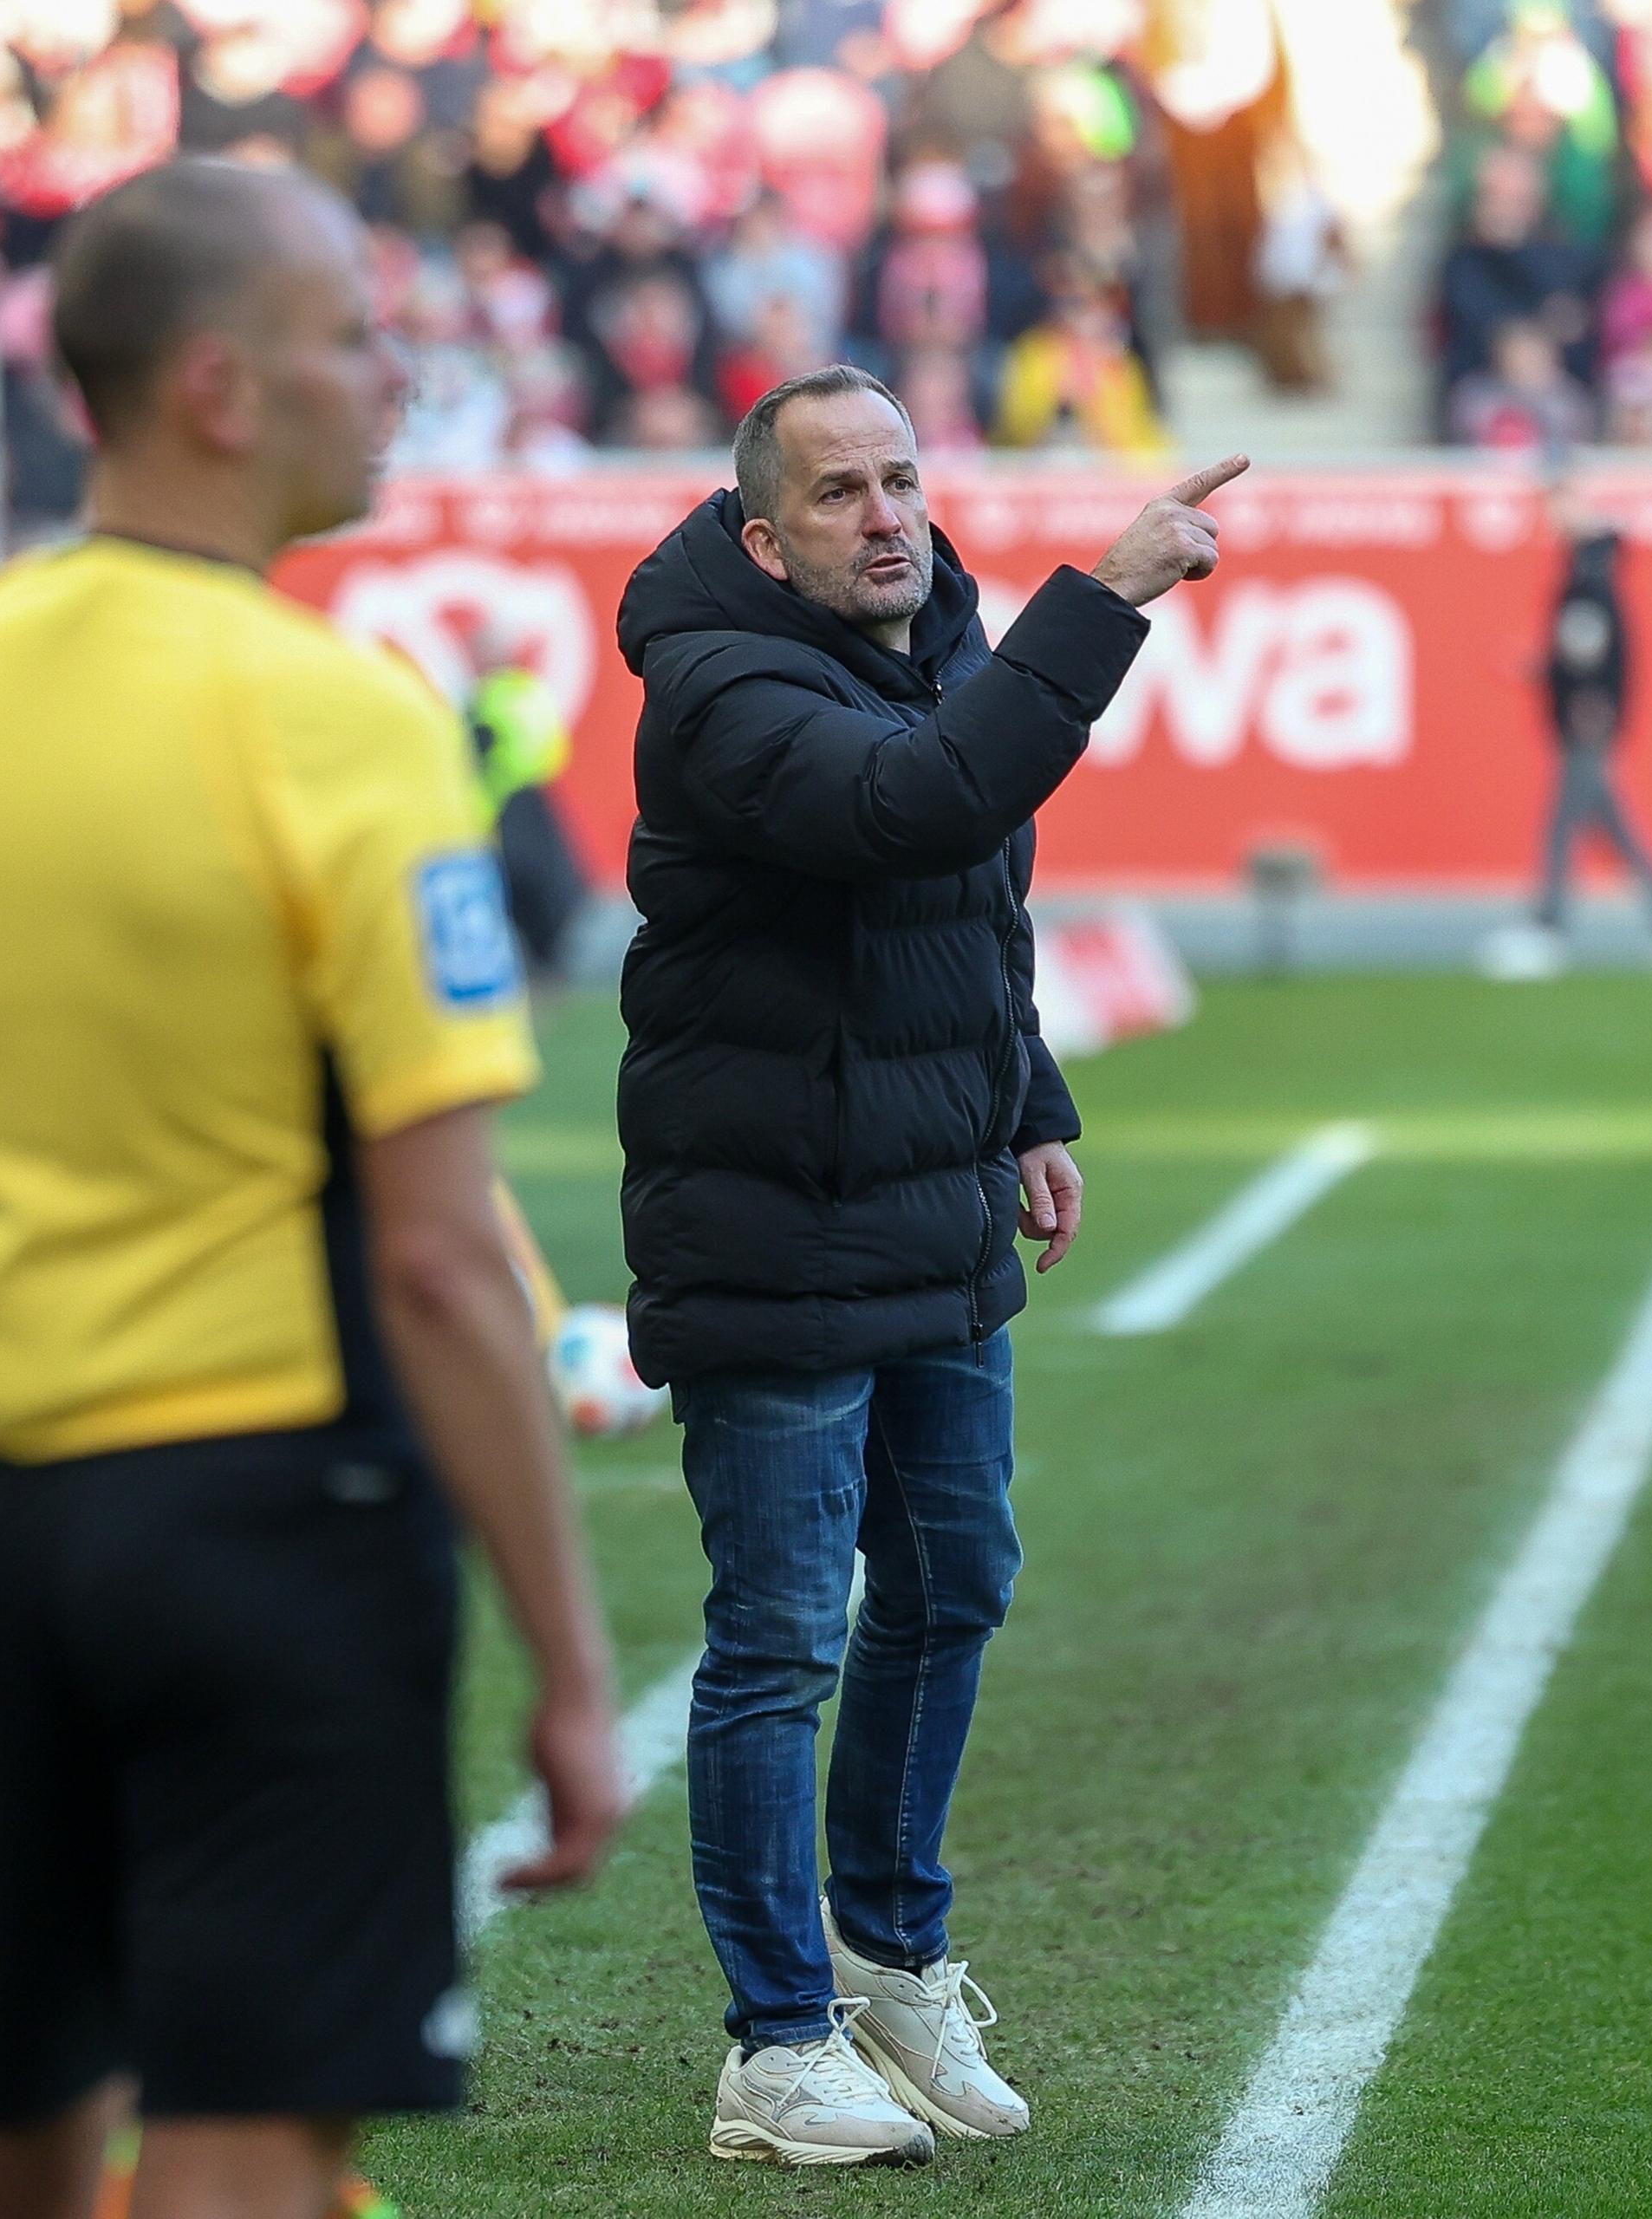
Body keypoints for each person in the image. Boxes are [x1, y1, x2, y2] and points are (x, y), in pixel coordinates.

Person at [0, 159, 624, 2219]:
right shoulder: (340, 719)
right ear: (219, 387)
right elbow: (435, 1254)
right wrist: (572, 1665)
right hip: (267, 1520)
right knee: (243, 2145)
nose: (387, 368)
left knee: (0, 2139)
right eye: (348, 330)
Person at [616, 365, 1234, 2165]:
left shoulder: (935, 627)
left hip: (930, 1197)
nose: (887, 514)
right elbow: (916, 810)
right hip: (772, 1220)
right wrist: (1104, 598)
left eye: (901, 477)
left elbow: (974, 900)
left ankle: (887, 1950)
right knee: (780, 1635)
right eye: (838, 493)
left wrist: (1028, 1095)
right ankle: (773, 2039)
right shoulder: (721, 682)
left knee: (957, 1577)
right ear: (762, 533)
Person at [1529, 502, 1652, 971]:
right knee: (1613, 830)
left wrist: (1582, 697)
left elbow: (1587, 657)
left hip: (1585, 728)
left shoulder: (1589, 590)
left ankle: (1550, 926)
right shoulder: (1601, 590)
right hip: (1588, 724)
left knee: (1565, 826)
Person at [462, 625, 590, 976]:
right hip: (532, 806)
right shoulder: (528, 692)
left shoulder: (489, 700)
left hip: (505, 812)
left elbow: (476, 758)